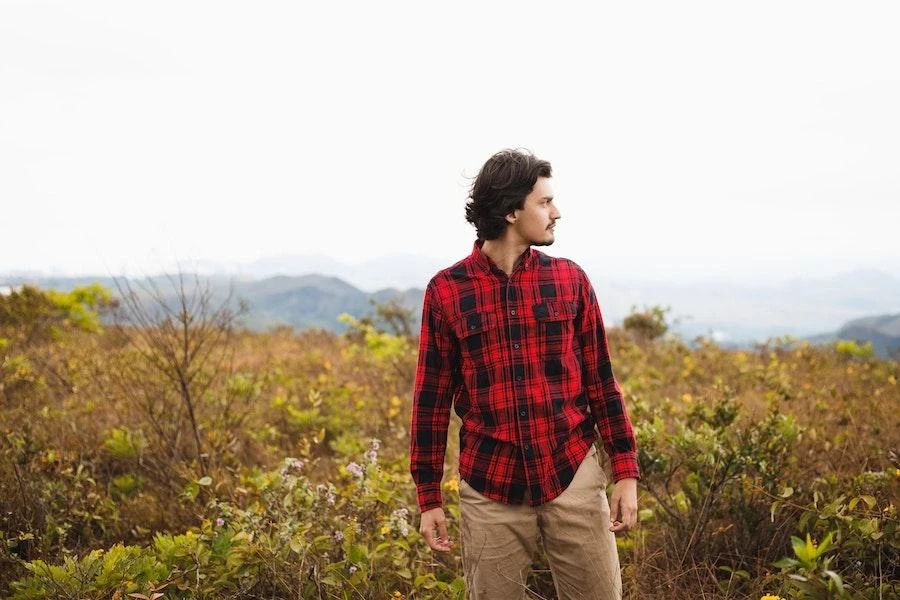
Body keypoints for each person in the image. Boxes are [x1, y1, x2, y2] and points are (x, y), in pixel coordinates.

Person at [409, 148, 640, 600]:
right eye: (544, 202)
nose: (556, 212)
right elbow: (431, 400)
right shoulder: (446, 291)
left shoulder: (570, 281)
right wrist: (428, 495)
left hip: (572, 475)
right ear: (512, 211)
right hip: (489, 487)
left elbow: (601, 381)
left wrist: (625, 470)